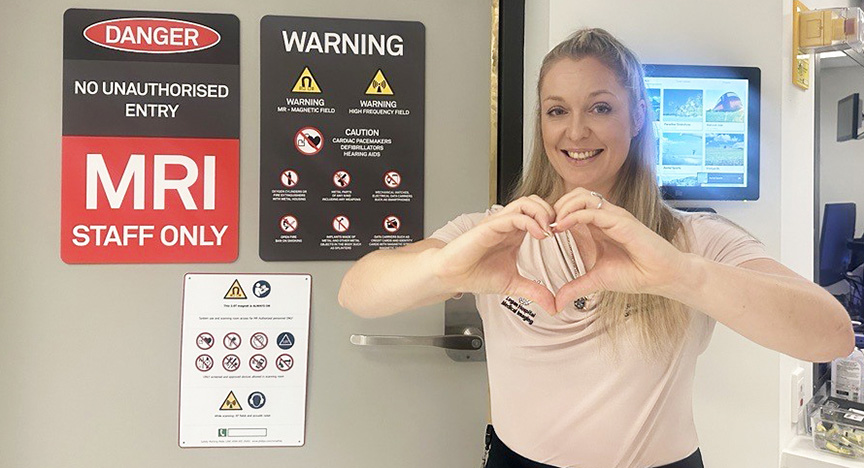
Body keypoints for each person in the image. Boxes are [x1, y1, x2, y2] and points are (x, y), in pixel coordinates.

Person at [338, 28, 854, 468]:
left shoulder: (693, 239)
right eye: (556, 110)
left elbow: (830, 335)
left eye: (600, 107)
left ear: (639, 116)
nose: (576, 130)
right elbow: (358, 293)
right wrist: (446, 268)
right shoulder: (495, 234)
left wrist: (677, 275)